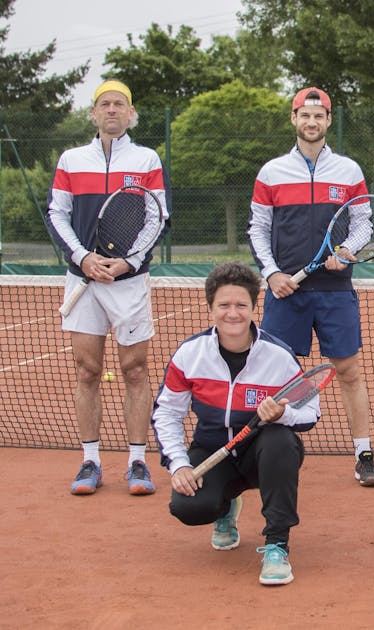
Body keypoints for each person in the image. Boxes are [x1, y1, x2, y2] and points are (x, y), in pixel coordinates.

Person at [152, 262, 319, 586]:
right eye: (224, 305)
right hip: (213, 449)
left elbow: (310, 410)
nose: (233, 313)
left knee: (278, 442)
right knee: (188, 508)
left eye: (241, 305)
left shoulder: (279, 356)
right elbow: (167, 413)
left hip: (263, 451)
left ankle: (276, 545)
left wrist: (282, 414)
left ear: (253, 307)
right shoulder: (190, 354)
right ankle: (224, 507)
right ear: (211, 307)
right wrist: (179, 465)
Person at [248, 87, 374, 486]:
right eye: (304, 115)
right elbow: (258, 229)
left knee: (349, 371)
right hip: (285, 292)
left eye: (319, 116)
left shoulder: (349, 171)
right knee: (275, 372)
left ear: (327, 121)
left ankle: (364, 454)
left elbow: (363, 225)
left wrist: (347, 251)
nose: (311, 122)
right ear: (294, 119)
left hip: (335, 290)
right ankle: (269, 453)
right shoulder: (271, 173)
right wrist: (271, 274)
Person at [44, 79, 171, 496]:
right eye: (105, 104)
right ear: (94, 113)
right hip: (83, 279)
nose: (112, 110)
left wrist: (128, 262)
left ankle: (137, 462)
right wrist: (83, 257)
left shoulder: (147, 158)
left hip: (128, 282)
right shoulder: (71, 160)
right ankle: (90, 462)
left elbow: (158, 216)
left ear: (130, 113)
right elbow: (58, 214)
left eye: (119, 104)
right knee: (87, 371)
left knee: (135, 370)